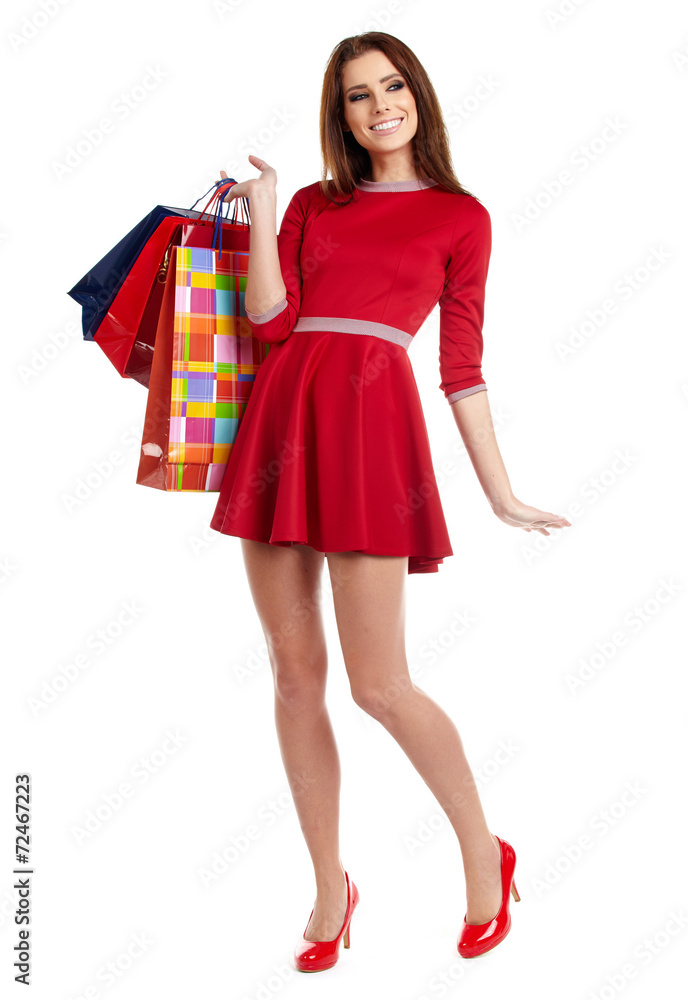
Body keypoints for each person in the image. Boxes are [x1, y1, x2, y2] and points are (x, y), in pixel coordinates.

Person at [210, 31, 572, 972]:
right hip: (281, 430)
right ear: (341, 113)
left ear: (418, 95)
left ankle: (481, 849)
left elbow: (462, 369)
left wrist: (500, 495)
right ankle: (331, 886)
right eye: (359, 95)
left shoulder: (462, 216)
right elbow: (271, 321)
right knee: (295, 677)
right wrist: (262, 210)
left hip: (372, 438)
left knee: (380, 684)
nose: (380, 106)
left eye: (394, 87)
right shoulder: (312, 206)